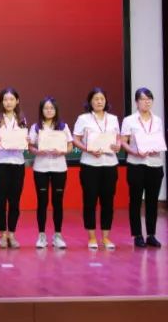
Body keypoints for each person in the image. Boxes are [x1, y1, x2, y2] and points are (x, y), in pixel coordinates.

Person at [72, 87, 121, 250]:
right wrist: (87, 149)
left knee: (108, 201)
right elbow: (75, 139)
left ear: (106, 101)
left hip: (110, 164)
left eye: (102, 99)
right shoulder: (83, 118)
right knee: (90, 201)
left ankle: (106, 237)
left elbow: (118, 138)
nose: (99, 102)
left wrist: (118, 145)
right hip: (90, 165)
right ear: (90, 102)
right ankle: (92, 237)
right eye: (96, 99)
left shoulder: (113, 119)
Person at [121, 87, 166, 248]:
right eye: (143, 99)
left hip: (155, 164)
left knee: (152, 200)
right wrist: (134, 151)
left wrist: (157, 148)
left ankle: (151, 235)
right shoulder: (129, 120)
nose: (147, 102)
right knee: (135, 200)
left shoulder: (157, 120)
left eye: (149, 99)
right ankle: (137, 235)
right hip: (136, 164)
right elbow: (123, 141)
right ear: (136, 102)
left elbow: (159, 139)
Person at [28, 97, 73, 249]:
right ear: (41, 110)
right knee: (42, 201)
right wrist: (37, 151)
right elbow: (30, 146)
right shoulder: (35, 127)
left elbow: (70, 146)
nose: (49, 111)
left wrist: (63, 151)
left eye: (52, 108)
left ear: (56, 110)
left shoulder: (63, 126)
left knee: (57, 201)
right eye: (46, 108)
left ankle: (58, 235)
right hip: (41, 167)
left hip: (59, 167)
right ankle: (41, 235)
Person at [0, 87, 28, 249]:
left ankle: (12, 233)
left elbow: (24, 141)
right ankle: (2, 234)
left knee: (15, 201)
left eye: (11, 99)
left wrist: (26, 141)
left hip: (17, 163)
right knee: (0, 200)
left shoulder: (22, 119)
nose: (8, 102)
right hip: (0, 163)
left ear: (17, 101)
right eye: (5, 99)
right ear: (1, 102)